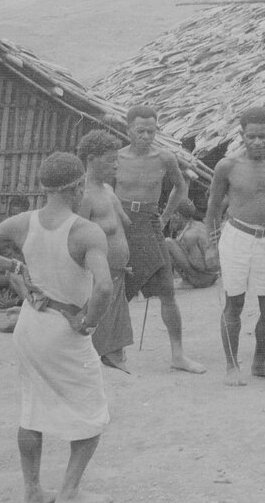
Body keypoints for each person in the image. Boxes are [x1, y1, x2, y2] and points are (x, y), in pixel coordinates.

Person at [0, 152, 114, 503]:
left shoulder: (22, 222)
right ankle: (70, 492)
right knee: (92, 411)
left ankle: (32, 492)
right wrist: (89, 322)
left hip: (31, 324)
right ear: (77, 186)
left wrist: (13, 265)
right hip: (63, 329)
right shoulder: (85, 231)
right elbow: (104, 288)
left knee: (32, 410)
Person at [203, 106, 265, 387]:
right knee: (235, 303)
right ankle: (232, 367)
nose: (257, 142)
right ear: (242, 135)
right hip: (236, 238)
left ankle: (259, 363)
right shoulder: (228, 166)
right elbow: (211, 210)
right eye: (251, 136)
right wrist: (211, 246)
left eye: (263, 136)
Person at [114, 105, 205, 374]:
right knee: (119, 289)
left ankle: (178, 355)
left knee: (167, 290)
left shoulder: (165, 158)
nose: (145, 136)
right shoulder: (116, 158)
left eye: (151, 131)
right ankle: (113, 351)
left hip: (151, 223)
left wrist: (165, 217)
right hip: (121, 225)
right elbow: (102, 191)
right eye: (140, 131)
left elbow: (181, 187)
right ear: (128, 129)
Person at [76, 129, 134, 373]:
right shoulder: (85, 196)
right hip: (100, 274)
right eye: (110, 160)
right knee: (95, 322)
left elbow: (125, 224)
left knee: (111, 322)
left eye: (116, 159)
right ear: (91, 160)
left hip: (119, 270)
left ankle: (109, 356)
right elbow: (76, 237)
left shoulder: (109, 191)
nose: (116, 165)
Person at [165, 198, 220, 289]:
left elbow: (199, 266)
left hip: (203, 280)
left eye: (172, 215)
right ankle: (186, 280)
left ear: (177, 215)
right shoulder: (199, 224)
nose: (171, 219)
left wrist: (183, 250)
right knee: (174, 245)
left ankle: (187, 281)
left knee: (168, 243)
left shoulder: (189, 235)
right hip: (213, 277)